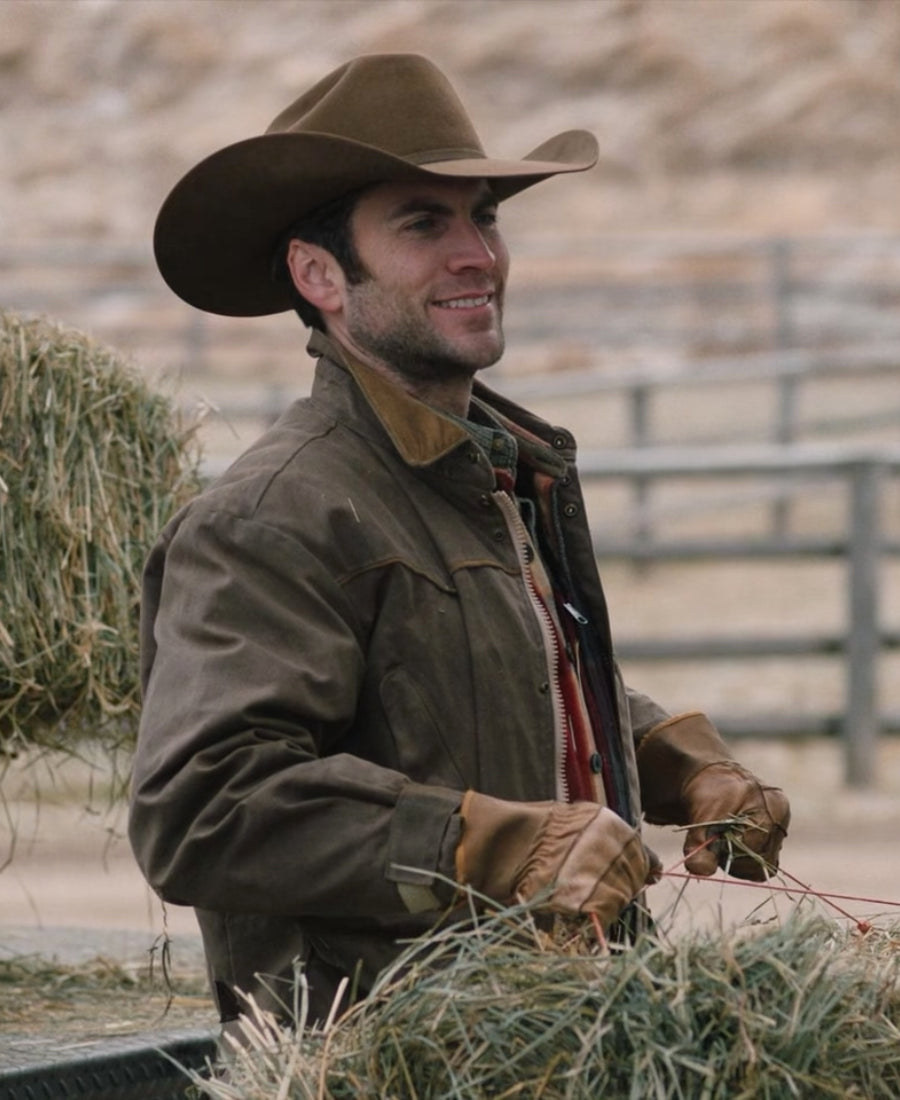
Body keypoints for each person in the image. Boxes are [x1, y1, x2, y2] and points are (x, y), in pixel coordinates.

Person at [129, 53, 790, 1030]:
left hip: (562, 1041)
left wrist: (681, 764)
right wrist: (489, 847)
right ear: (320, 277)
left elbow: (496, 675)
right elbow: (203, 806)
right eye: (422, 222)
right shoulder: (276, 513)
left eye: (483, 214)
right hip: (384, 1062)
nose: (476, 252)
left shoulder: (484, 469)